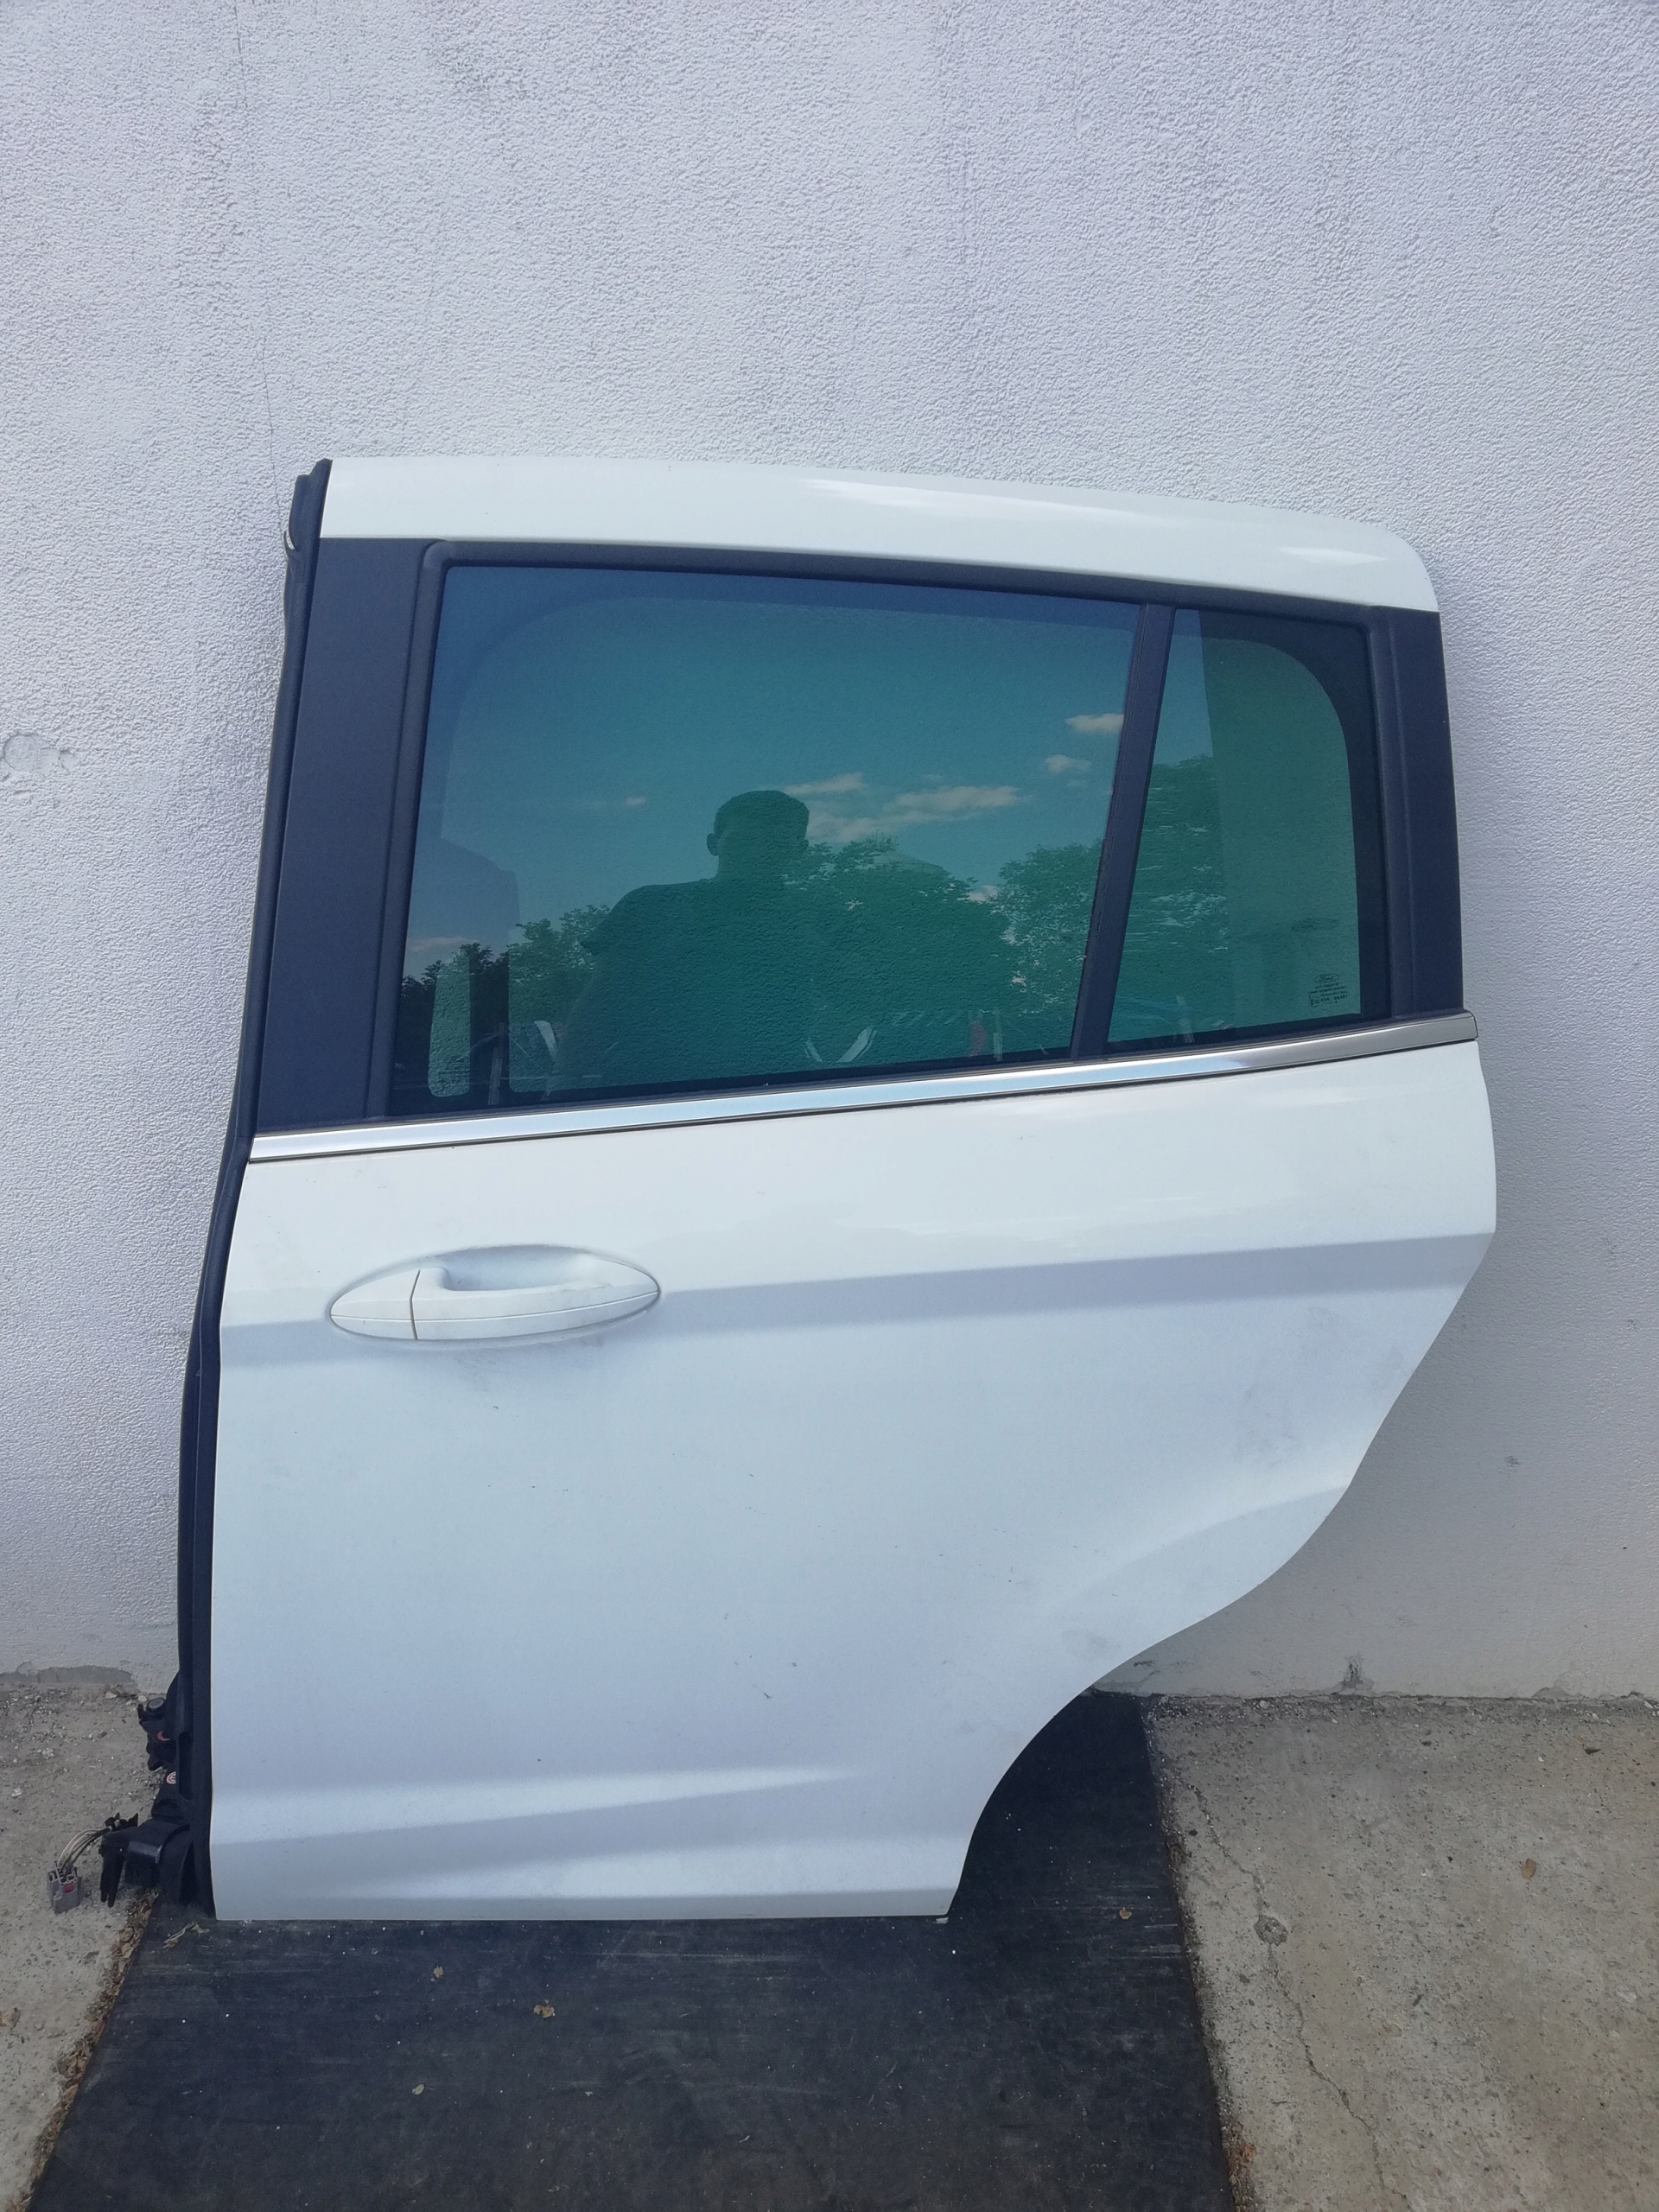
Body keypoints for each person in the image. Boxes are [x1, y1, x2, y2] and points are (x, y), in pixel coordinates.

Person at [557, 791, 820, 1090]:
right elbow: (600, 998)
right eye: (744, 840)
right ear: (713, 844)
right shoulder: (651, 907)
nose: (759, 852)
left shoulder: (819, 915)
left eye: (776, 843)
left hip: (782, 1094)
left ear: (800, 850)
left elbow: (850, 998)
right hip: (649, 1090)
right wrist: (565, 1079)